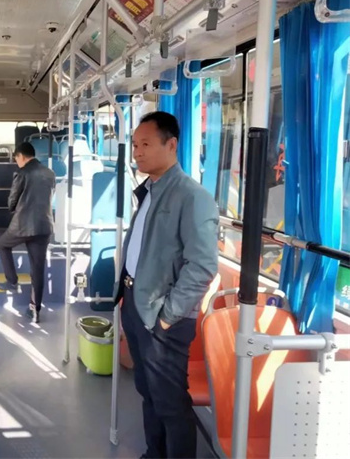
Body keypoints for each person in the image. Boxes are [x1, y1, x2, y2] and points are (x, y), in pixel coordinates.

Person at [114, 111, 219, 459]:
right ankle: (154, 454)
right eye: (134, 145)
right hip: (136, 303)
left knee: (171, 403)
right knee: (148, 391)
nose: (137, 152)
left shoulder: (192, 196)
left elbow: (202, 265)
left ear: (171, 145)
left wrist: (168, 316)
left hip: (162, 315)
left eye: (145, 144)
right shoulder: (151, 190)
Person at [0, 142, 55, 323]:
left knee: (3, 245)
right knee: (37, 269)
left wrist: (13, 209)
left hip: (23, 225)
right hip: (44, 225)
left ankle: (12, 281)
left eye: (16, 159)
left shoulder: (22, 173)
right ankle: (34, 310)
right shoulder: (50, 173)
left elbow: (12, 200)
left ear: (21, 156)